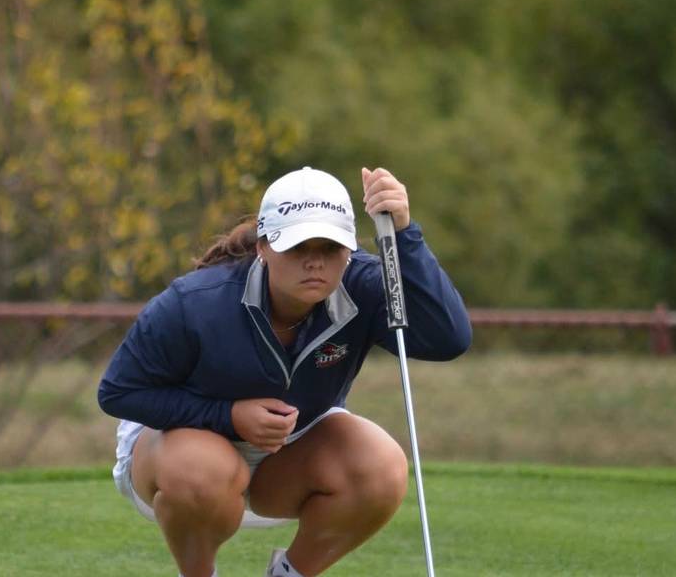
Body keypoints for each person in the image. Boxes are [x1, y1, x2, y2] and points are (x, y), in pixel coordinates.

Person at [97, 166, 472, 577]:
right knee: (204, 469)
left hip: (289, 458)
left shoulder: (363, 286)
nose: (314, 262)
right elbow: (118, 392)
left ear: (349, 250)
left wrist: (404, 234)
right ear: (264, 246)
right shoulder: (195, 302)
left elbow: (448, 338)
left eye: (329, 248)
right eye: (297, 247)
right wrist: (228, 416)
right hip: (176, 465)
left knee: (382, 466)